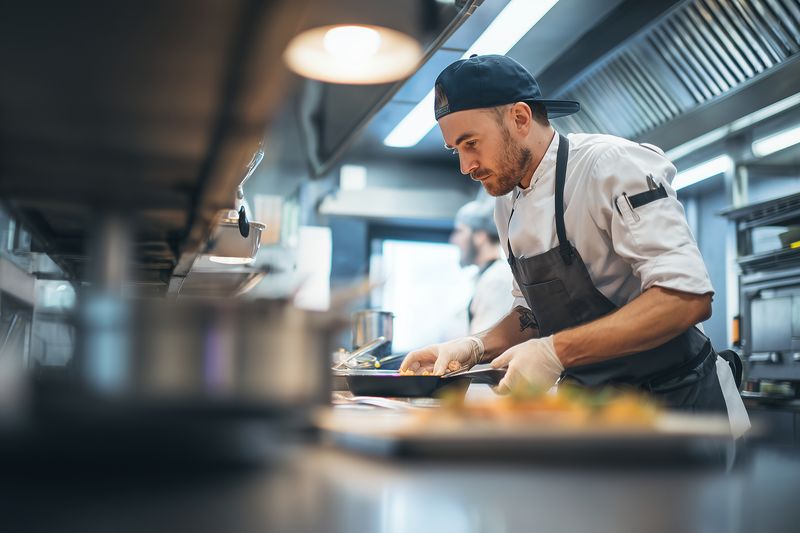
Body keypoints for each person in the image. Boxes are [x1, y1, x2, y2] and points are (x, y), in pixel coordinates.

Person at [400, 54, 749, 437]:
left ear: (519, 118)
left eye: (471, 143)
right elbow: (531, 314)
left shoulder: (611, 165)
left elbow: (686, 297)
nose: (466, 166)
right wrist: (473, 347)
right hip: (595, 411)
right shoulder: (507, 202)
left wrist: (555, 352)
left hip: (677, 405)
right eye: (456, 150)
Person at [450, 199, 515, 335]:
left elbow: (484, 344)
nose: (454, 240)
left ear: (480, 236)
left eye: (460, 231)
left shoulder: (497, 279)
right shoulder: (486, 276)